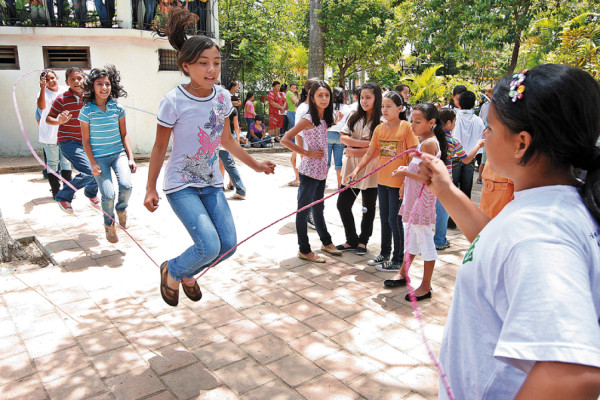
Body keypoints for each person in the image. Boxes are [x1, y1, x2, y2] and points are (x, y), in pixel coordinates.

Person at [417, 64, 600, 400]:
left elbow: (572, 375)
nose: (483, 137)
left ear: (522, 143)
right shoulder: (553, 204)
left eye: (489, 128)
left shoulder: (539, 235)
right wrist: (444, 188)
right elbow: (497, 247)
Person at [146, 9, 275, 307]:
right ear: (186, 66)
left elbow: (225, 139)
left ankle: (187, 273)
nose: (211, 69)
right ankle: (174, 269)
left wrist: (255, 164)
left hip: (212, 183)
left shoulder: (222, 97)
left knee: (227, 247)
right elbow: (158, 148)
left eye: (216, 63)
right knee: (208, 246)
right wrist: (150, 187)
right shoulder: (173, 101)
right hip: (182, 185)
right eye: (203, 63)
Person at [347, 91, 419, 271]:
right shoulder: (379, 129)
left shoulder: (406, 127)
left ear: (400, 108)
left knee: (395, 220)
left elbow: (413, 155)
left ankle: (398, 259)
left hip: (398, 183)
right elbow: (370, 152)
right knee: (385, 219)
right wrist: (356, 170)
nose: (385, 110)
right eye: (383, 107)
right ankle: (385, 253)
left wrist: (405, 181)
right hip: (383, 182)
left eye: (389, 107)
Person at [384, 103, 448, 302]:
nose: (413, 125)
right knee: (411, 239)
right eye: (412, 120)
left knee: (426, 242)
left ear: (431, 123)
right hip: (414, 199)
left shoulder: (429, 144)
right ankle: (404, 273)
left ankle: (426, 285)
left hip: (423, 201)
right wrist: (406, 179)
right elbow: (417, 171)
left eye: (418, 121)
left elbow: (429, 178)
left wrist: (405, 172)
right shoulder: (423, 142)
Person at [281, 80, 342, 263]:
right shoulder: (307, 118)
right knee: (303, 210)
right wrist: (306, 152)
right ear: (312, 97)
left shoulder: (323, 117)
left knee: (319, 207)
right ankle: (304, 249)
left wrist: (335, 122)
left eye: (327, 95)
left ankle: (326, 242)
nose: (324, 99)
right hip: (309, 172)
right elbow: (286, 138)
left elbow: (321, 134)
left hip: (321, 171)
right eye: (320, 95)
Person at [80, 65, 136, 243]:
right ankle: (109, 224)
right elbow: (86, 140)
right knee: (108, 195)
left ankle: (122, 209)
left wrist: (131, 158)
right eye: (99, 84)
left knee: (126, 186)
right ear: (92, 87)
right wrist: (92, 163)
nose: (104, 87)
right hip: (99, 159)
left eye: (107, 84)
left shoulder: (117, 108)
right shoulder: (86, 111)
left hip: (118, 154)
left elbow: (124, 134)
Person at [336, 82, 382, 255]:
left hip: (372, 169)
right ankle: (351, 239)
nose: (364, 101)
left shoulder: (381, 121)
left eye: (368, 97)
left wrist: (354, 149)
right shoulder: (354, 116)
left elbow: (379, 150)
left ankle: (363, 241)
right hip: (351, 167)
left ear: (376, 98)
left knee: (368, 207)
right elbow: (343, 138)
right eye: (362, 97)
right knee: (343, 204)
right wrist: (368, 145)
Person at [47, 67, 100, 214]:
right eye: (72, 79)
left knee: (98, 169)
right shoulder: (61, 99)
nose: (76, 81)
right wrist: (59, 120)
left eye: (79, 78)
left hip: (88, 142)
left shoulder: (92, 98)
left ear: (84, 79)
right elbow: (49, 118)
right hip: (68, 141)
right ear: (67, 82)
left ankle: (91, 193)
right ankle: (64, 196)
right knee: (90, 172)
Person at [434, 108, 484, 250]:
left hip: (429, 179)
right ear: (448, 123)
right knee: (442, 212)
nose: (455, 124)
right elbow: (467, 159)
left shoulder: (430, 139)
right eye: (454, 122)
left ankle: (422, 241)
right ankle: (439, 240)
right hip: (444, 181)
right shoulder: (453, 141)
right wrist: (478, 145)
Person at [37, 69, 72, 199]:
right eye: (47, 80)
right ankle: (56, 192)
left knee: (66, 162)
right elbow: (41, 107)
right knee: (52, 163)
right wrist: (42, 89)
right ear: (43, 83)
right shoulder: (42, 93)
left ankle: (68, 191)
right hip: (49, 134)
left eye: (52, 78)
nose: (50, 81)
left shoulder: (65, 91)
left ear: (57, 78)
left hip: (65, 133)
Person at [451, 90, 485, 200]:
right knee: (466, 193)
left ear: (459, 103)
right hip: (470, 158)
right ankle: (464, 216)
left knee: (452, 192)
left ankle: (451, 217)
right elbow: (482, 137)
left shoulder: (454, 118)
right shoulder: (478, 120)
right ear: (474, 104)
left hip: (455, 158)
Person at [219, 104, 247, 200]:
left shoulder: (216, 107)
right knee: (229, 163)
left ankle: (240, 189)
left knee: (227, 163)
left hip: (222, 138)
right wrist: (238, 140)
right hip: (230, 137)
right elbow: (236, 126)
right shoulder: (233, 109)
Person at [327, 86, 349, 189]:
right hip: (341, 135)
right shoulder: (347, 108)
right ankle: (340, 184)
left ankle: (322, 183)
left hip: (328, 134)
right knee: (339, 161)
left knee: (326, 162)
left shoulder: (328, 107)